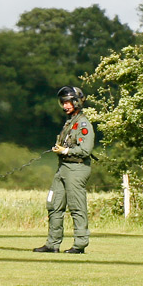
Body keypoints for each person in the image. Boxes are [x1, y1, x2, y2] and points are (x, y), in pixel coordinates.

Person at [33, 86, 94, 254]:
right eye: (63, 103)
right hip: (63, 168)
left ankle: (80, 245)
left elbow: (86, 149)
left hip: (77, 168)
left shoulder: (83, 123)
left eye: (68, 102)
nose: (65, 106)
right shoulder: (69, 123)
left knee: (76, 206)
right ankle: (52, 244)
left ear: (77, 102)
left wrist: (66, 151)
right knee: (54, 204)